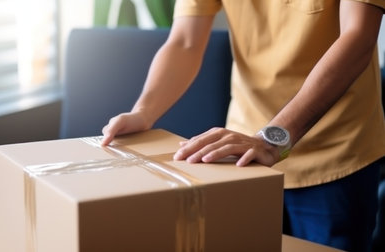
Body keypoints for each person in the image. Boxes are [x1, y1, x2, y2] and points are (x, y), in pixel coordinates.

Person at [101, 0, 385, 251]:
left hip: (335, 153)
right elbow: (186, 40)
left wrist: (274, 139)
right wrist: (144, 111)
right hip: (242, 154)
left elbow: (358, 36)